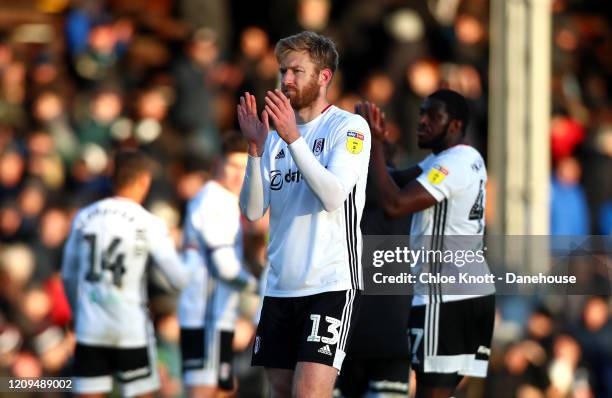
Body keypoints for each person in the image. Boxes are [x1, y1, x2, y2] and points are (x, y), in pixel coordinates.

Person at [237, 31, 371, 398]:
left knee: (308, 394)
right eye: (283, 71)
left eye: (297, 71)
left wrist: (294, 140)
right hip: (280, 286)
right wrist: (254, 149)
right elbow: (251, 211)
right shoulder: (276, 135)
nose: (287, 80)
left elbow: (333, 196)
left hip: (330, 284)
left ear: (324, 77)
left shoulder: (349, 128)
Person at [358, 89, 495, 398]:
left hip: (443, 298)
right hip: (473, 293)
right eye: (421, 113)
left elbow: (393, 203)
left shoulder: (452, 165)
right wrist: (364, 148)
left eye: (434, 116)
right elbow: (391, 180)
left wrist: (378, 145)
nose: (422, 121)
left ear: (456, 125)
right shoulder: (463, 158)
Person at [61, 149, 195, 398]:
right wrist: (194, 256)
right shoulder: (149, 222)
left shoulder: (83, 218)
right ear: (144, 180)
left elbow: (68, 275)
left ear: (113, 177)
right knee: (140, 392)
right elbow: (179, 279)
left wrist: (77, 313)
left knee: (89, 392)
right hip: (129, 327)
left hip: (91, 322)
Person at [178, 132, 259, 398]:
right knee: (204, 390)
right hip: (205, 315)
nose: (239, 175)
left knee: (224, 389)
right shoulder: (213, 201)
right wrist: (258, 288)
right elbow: (224, 266)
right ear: (218, 164)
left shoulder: (226, 202)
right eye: (233, 167)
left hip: (217, 314)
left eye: (245, 168)